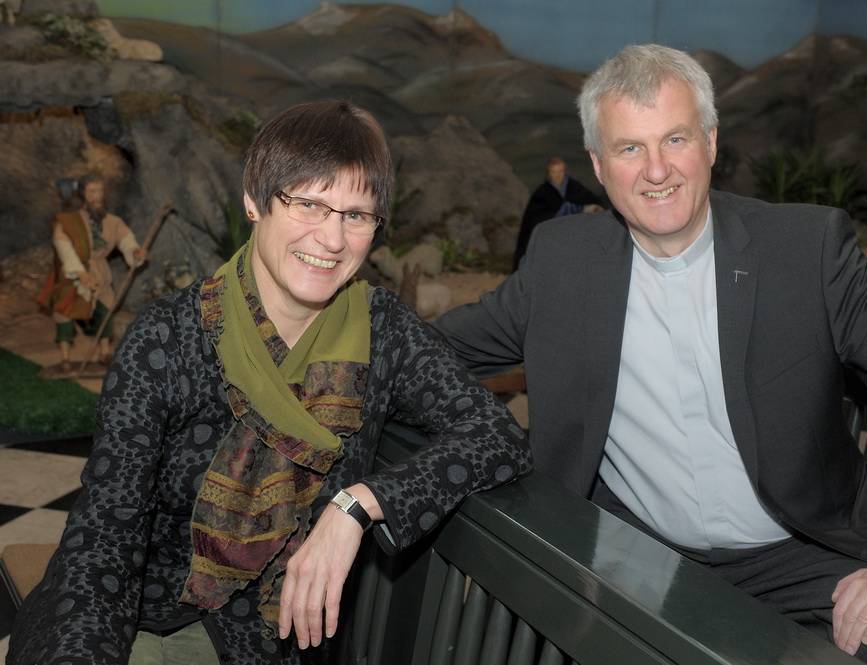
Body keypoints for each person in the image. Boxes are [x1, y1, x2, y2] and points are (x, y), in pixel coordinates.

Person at [435, 44, 867, 664]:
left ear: (712, 143)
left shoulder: (806, 251)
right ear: (599, 163)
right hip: (637, 556)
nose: (656, 170)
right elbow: (439, 348)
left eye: (675, 139)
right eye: (629, 148)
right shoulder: (563, 261)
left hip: (807, 554)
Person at [10, 100, 531, 665]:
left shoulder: (383, 331)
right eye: (309, 203)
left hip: (265, 639)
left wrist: (357, 506)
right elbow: (104, 540)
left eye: (356, 215)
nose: (332, 239)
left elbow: (495, 435)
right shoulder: (167, 340)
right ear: (254, 202)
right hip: (133, 614)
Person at [36, 174, 147, 370]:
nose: (97, 196)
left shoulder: (113, 221)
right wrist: (80, 274)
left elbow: (126, 240)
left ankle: (105, 353)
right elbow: (63, 246)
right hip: (72, 276)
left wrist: (135, 251)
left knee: (105, 311)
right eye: (92, 192)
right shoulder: (67, 220)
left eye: (100, 191)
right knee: (65, 314)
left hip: (100, 273)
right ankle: (65, 359)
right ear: (82, 194)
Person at [512, 156, 603, 269]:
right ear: (548, 173)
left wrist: (591, 209)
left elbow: (593, 202)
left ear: (564, 171)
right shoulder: (541, 194)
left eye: (560, 171)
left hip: (575, 239)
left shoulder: (574, 187)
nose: (557, 175)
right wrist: (580, 209)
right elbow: (534, 221)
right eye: (553, 172)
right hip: (550, 241)